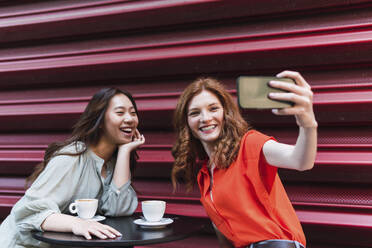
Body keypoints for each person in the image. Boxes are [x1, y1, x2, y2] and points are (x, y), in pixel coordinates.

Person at [171, 71, 317, 248]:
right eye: (195, 113)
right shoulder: (205, 176)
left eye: (213, 109)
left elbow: (300, 161)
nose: (205, 118)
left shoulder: (249, 144)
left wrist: (307, 123)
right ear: (187, 122)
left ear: (226, 113)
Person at [0, 88, 145, 248]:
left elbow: (119, 210)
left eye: (133, 113)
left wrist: (125, 152)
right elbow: (28, 212)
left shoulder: (112, 163)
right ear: (100, 121)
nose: (130, 119)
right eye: (120, 112)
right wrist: (77, 223)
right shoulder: (73, 156)